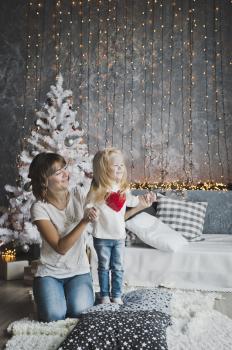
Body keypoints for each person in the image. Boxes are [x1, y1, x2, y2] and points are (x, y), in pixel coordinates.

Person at [29, 152, 98, 322]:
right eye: (59, 173)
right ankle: (44, 292)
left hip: (79, 271)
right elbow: (60, 247)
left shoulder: (78, 194)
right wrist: (83, 221)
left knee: (79, 312)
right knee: (54, 316)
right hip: (50, 273)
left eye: (65, 169)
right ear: (44, 180)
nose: (66, 174)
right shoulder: (39, 208)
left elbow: (100, 191)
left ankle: (74, 293)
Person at [86, 147, 156, 305]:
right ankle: (104, 295)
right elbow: (87, 205)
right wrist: (89, 211)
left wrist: (144, 199)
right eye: (115, 165)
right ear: (104, 169)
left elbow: (132, 201)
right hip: (101, 236)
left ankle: (116, 295)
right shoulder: (97, 188)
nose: (120, 167)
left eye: (121, 165)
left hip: (118, 236)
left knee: (118, 267)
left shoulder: (123, 188)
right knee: (103, 267)